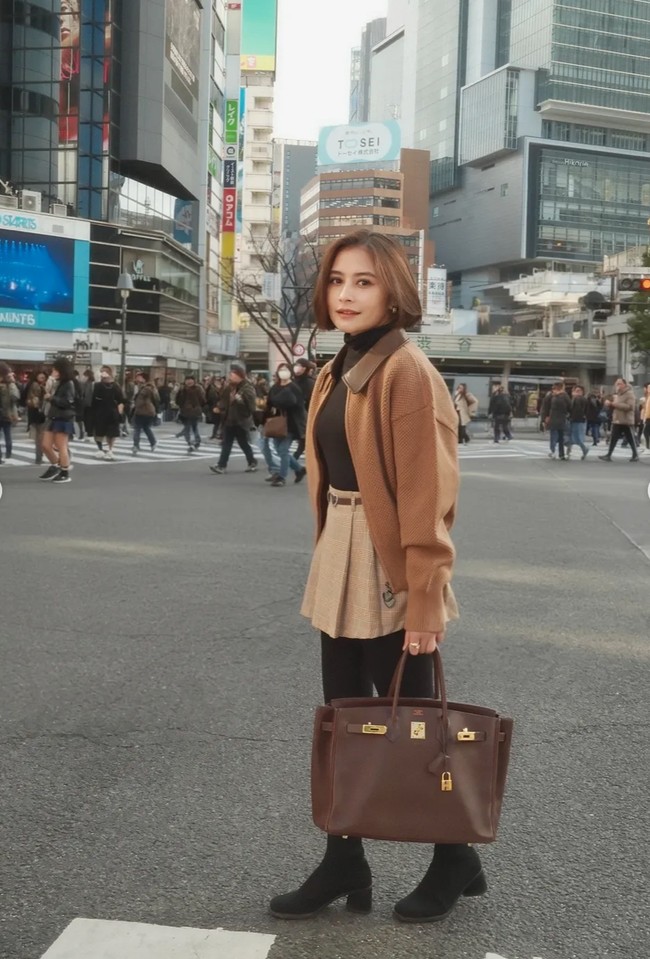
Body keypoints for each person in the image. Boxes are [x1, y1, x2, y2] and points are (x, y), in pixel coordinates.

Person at [268, 230, 483, 925]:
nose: (346, 294)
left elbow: (428, 496)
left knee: (415, 722)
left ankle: (454, 854)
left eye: (363, 281)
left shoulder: (406, 371)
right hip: (342, 549)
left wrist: (426, 599)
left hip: (390, 561)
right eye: (337, 280)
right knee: (342, 714)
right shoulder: (339, 366)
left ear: (394, 292)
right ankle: (344, 855)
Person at [262, 362, 307, 487]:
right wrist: (263, 421)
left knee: (283, 450)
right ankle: (299, 469)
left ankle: (281, 477)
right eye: (281, 369)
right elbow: (269, 404)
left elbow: (299, 405)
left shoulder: (294, 387)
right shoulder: (275, 387)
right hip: (277, 423)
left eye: (286, 369)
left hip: (291, 424)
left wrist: (283, 402)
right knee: (279, 449)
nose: (283, 372)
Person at [209, 362, 258, 474]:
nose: (230, 377)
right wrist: (219, 407)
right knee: (227, 443)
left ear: (239, 376)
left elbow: (251, 407)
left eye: (232, 375)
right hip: (229, 420)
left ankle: (251, 461)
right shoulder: (229, 388)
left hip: (241, 421)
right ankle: (221, 465)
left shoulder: (247, 388)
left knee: (243, 443)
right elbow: (224, 401)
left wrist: (240, 400)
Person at [39, 357, 76, 483]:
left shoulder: (68, 383)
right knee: (45, 445)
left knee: (61, 446)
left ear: (62, 370)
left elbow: (68, 402)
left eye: (55, 369)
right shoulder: (58, 382)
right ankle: (56, 465)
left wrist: (51, 398)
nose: (53, 372)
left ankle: (65, 472)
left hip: (63, 417)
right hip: (54, 416)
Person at [598, 377, 639, 463]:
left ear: (625, 384)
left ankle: (635, 455)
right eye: (616, 383)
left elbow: (630, 407)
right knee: (613, 438)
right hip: (617, 420)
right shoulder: (618, 394)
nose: (617, 385)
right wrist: (609, 404)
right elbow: (614, 404)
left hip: (626, 420)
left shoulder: (629, 394)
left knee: (630, 438)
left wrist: (614, 404)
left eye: (619, 383)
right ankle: (608, 455)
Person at [91, 365, 125, 460]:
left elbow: (121, 400)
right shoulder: (97, 385)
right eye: (101, 371)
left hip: (112, 412)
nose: (103, 373)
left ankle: (110, 450)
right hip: (99, 412)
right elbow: (93, 400)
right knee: (98, 432)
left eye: (105, 371)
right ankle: (100, 449)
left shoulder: (115, 386)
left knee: (112, 433)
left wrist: (120, 413)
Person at [540, 381, 571, 460]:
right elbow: (570, 407)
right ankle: (561, 454)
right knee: (561, 436)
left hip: (552, 418)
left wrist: (544, 418)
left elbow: (545, 407)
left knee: (554, 436)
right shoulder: (565, 396)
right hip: (561, 418)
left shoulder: (550, 395)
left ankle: (553, 451)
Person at [131, 372, 160, 454]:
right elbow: (157, 399)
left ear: (144, 379)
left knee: (137, 428)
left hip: (142, 411)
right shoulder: (152, 387)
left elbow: (139, 401)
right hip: (150, 411)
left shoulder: (145, 389)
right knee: (146, 428)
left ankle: (136, 445)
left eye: (138, 377)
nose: (136, 378)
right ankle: (153, 443)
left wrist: (134, 406)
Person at [175, 374, 205, 452]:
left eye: (190, 380)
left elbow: (202, 400)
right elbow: (178, 401)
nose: (189, 381)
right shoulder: (182, 390)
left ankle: (193, 443)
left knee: (191, 428)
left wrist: (196, 407)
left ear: (194, 381)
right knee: (190, 428)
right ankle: (194, 442)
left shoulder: (197, 389)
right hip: (184, 412)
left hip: (194, 412)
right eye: (187, 380)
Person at [293, 359, 315, 458]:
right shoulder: (294, 381)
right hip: (295, 413)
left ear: (305, 368)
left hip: (305, 413)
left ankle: (295, 457)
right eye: (296, 365)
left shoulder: (309, 382)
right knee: (302, 437)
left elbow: (310, 399)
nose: (297, 367)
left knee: (303, 437)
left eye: (300, 365)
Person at [26, 371, 47, 465]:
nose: (43, 379)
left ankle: (39, 457)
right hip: (38, 413)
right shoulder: (36, 386)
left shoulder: (34, 384)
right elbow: (36, 400)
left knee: (39, 437)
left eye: (44, 377)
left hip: (34, 413)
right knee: (40, 437)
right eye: (41, 377)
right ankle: (39, 457)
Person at [0, 362, 17, 464]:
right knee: (7, 434)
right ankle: (6, 454)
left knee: (7, 435)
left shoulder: (9, 385)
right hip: (6, 413)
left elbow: (15, 397)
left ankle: (8, 453)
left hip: (6, 414)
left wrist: (12, 383)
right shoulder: (8, 385)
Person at [566, 384, 589, 460]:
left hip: (576, 420)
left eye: (578, 391)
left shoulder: (578, 399)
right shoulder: (580, 399)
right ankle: (569, 452)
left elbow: (576, 410)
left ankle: (583, 449)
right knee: (574, 437)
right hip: (577, 420)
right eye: (576, 391)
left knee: (576, 437)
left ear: (582, 392)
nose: (577, 392)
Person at [81, 369, 95, 441]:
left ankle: (90, 434)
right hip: (88, 404)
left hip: (89, 404)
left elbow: (86, 394)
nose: (83, 377)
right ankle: (89, 433)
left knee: (88, 419)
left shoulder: (90, 384)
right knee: (87, 419)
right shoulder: (87, 383)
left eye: (84, 375)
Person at [641, 383, 650, 452]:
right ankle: (647, 446)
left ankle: (648, 447)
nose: (648, 389)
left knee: (645, 432)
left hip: (649, 418)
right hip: (647, 417)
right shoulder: (648, 397)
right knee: (646, 432)